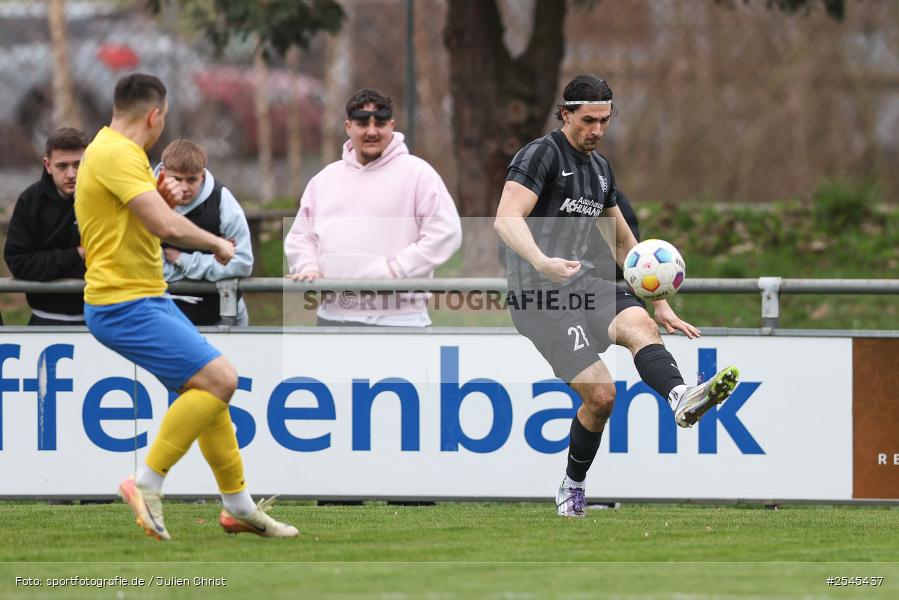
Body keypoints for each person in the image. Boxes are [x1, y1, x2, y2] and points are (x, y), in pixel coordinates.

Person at [494, 74, 740, 518]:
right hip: (538, 298)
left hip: (582, 284)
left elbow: (625, 243)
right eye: (588, 120)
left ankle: (679, 396)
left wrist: (659, 301)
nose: (597, 130)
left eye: (605, 120)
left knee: (638, 322)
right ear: (565, 114)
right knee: (602, 397)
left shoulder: (600, 170)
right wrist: (542, 261)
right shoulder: (541, 155)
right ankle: (572, 486)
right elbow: (506, 218)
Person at [75, 72, 296, 540]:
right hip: (122, 303)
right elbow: (166, 227)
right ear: (155, 116)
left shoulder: (116, 152)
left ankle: (238, 508)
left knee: (209, 396)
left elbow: (130, 226)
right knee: (222, 379)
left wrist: (157, 198)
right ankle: (146, 482)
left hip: (144, 296)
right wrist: (217, 244)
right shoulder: (117, 154)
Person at [284, 88, 461, 327]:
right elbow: (301, 236)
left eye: (380, 123)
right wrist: (309, 267)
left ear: (392, 125)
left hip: (400, 320)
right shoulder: (324, 180)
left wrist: (396, 271)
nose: (372, 131)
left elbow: (446, 232)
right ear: (348, 127)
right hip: (332, 317)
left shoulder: (419, 174)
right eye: (362, 123)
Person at [154, 139, 253, 326]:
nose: (184, 188)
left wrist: (182, 261)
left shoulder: (221, 199)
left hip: (222, 316)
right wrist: (213, 263)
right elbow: (148, 269)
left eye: (192, 180)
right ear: (163, 173)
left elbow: (242, 263)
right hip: (164, 318)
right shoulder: (145, 197)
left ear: (203, 175)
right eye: (176, 179)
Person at [4, 127, 89, 325]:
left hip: (102, 321)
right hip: (46, 319)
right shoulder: (30, 201)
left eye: (78, 164)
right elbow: (19, 263)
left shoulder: (106, 198)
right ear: (48, 165)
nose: (71, 174)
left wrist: (49, 266)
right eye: (62, 166)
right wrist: (77, 254)